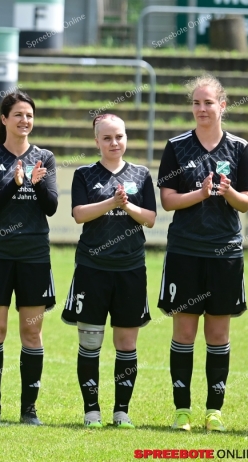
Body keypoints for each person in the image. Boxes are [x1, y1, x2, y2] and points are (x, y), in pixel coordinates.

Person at [157, 75, 248, 432]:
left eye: (208, 103)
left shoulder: (239, 148)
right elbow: (167, 201)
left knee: (218, 335)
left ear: (223, 106)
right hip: (186, 252)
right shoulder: (177, 146)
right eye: (196, 103)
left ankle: (214, 411)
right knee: (184, 333)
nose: (202, 109)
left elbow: (245, 204)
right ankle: (181, 411)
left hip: (225, 254)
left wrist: (228, 193)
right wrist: (198, 195)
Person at [61, 114, 156, 429]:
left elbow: (151, 218)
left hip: (130, 270)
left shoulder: (141, 175)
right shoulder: (85, 174)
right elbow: (78, 214)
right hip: (93, 269)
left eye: (120, 136)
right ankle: (91, 411)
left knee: (126, 344)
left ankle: (121, 412)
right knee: (90, 343)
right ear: (97, 141)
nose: (114, 143)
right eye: (107, 138)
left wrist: (126, 206)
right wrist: (111, 202)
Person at [0, 91, 58, 425]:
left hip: (34, 257)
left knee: (32, 334)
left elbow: (50, 206)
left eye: (30, 115)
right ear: (4, 119)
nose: (25, 121)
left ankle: (29, 411)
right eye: (19, 115)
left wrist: (36, 185)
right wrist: (14, 183)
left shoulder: (45, 158)